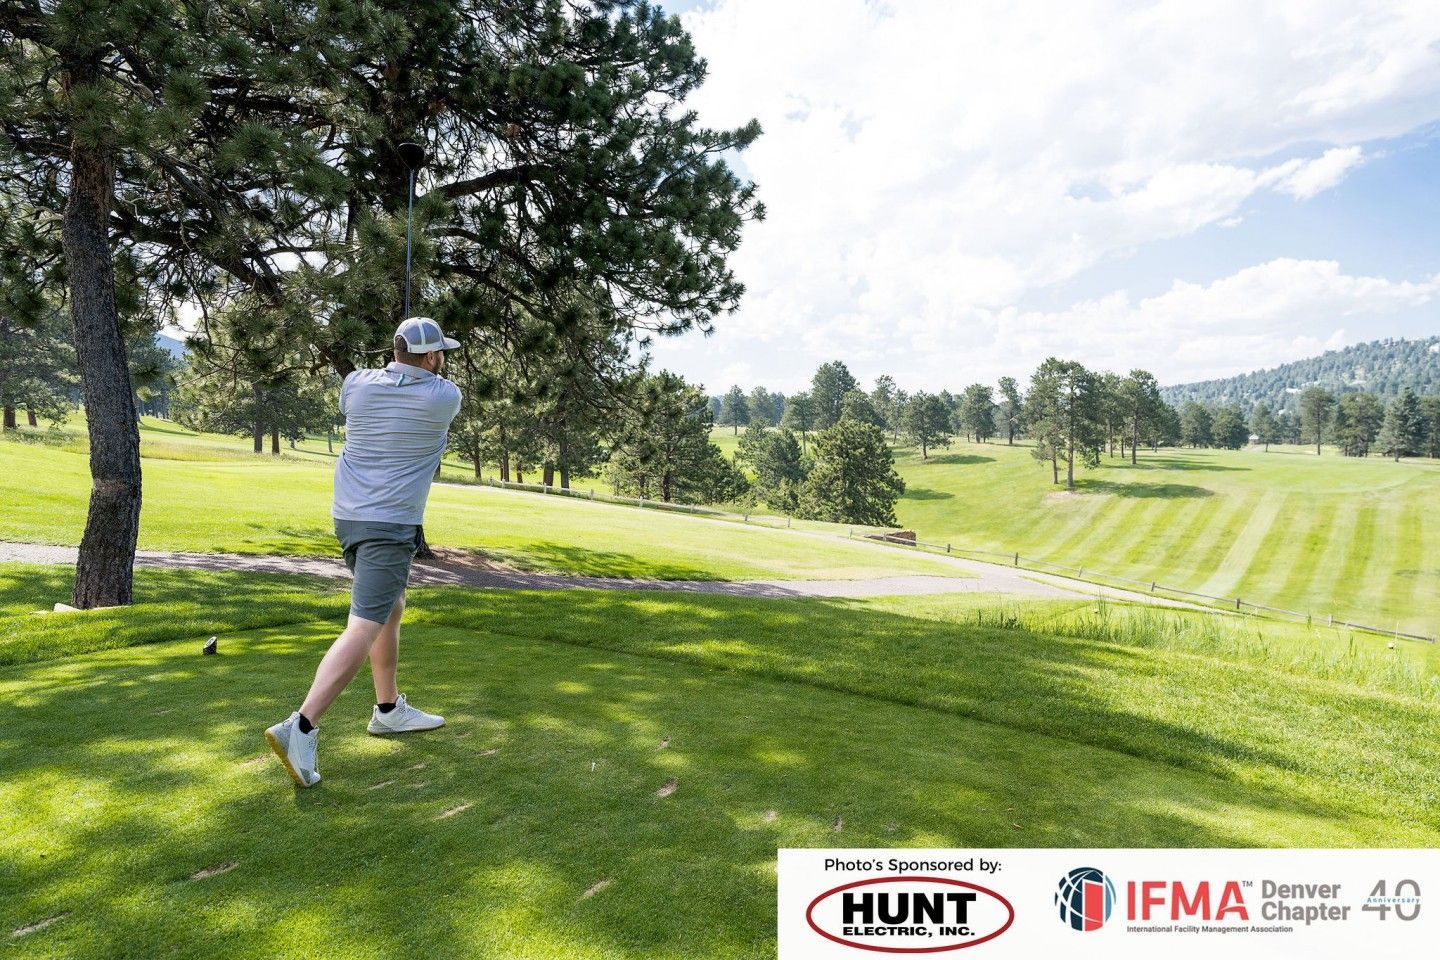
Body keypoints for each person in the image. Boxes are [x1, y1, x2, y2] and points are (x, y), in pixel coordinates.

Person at [265, 317, 463, 788]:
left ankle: (389, 709)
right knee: (364, 625)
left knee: (391, 606)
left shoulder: (356, 384)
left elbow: (387, 374)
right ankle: (303, 726)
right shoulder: (444, 396)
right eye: (441, 355)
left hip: (348, 518)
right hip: (390, 524)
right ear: (433, 357)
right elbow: (422, 377)